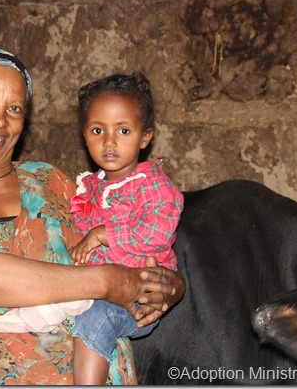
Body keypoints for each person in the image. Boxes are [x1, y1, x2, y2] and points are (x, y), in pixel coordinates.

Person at [0, 46, 185, 385]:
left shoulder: (50, 181)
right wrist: (107, 282)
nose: (0, 120)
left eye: (14, 108)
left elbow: (133, 239)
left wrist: (170, 286)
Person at [68, 72, 184, 384]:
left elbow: (155, 234)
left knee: (96, 319)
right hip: (91, 289)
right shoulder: (88, 187)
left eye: (123, 130)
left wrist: (101, 234)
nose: (109, 142)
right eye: (97, 130)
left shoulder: (154, 187)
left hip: (137, 299)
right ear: (84, 135)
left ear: (145, 137)